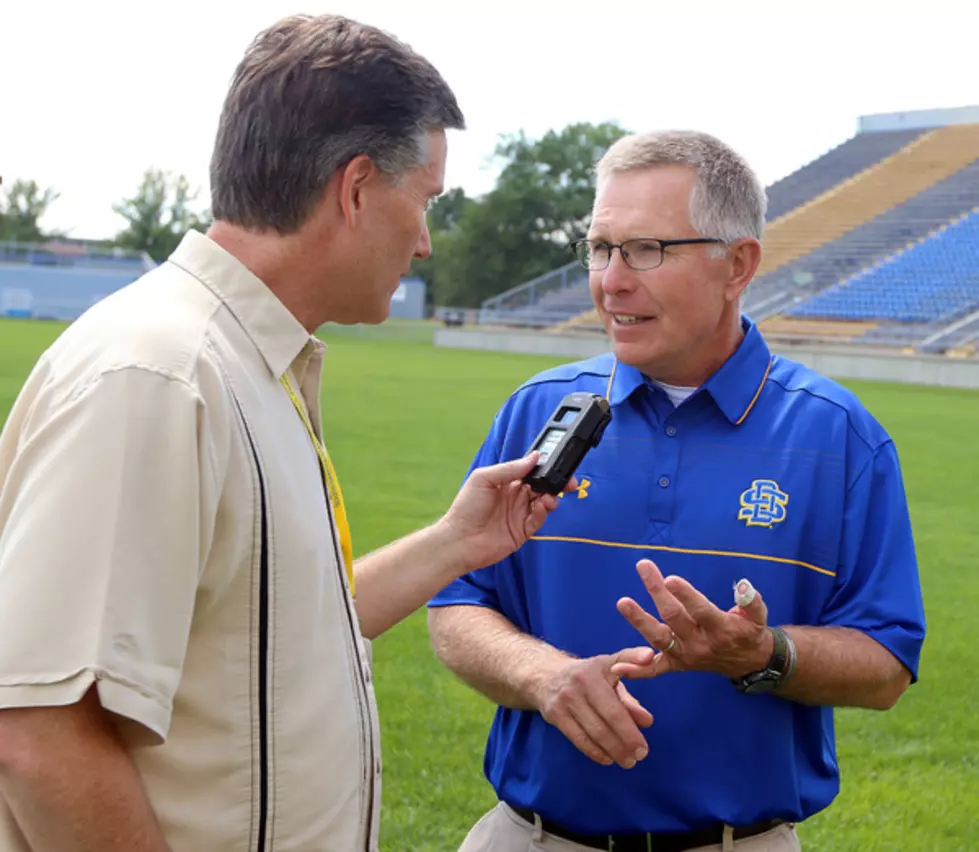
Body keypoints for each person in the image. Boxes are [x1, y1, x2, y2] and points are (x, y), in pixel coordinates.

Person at [0, 14, 572, 852]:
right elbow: (40, 732)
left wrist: (455, 542)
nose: (423, 242)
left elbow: (264, 632)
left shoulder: (246, 362)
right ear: (354, 189)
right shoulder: (160, 374)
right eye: (427, 202)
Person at [428, 130, 927, 852]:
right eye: (600, 248)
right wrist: (542, 674)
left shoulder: (837, 436)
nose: (610, 280)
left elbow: (884, 665)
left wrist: (762, 654)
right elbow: (456, 605)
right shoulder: (537, 411)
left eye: (646, 250)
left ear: (738, 265)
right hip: (526, 837)